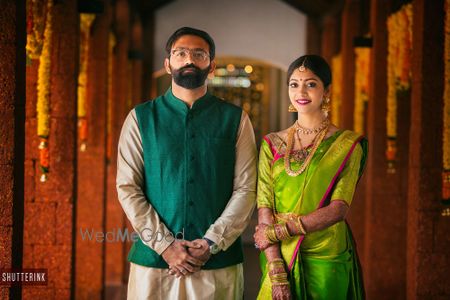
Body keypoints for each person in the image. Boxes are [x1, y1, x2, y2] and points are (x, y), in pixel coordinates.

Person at [116, 27, 257, 299]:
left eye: (199, 54)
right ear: (168, 64)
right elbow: (127, 187)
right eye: (180, 53)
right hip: (154, 264)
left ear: (212, 66)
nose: (189, 60)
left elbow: (246, 188)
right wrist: (166, 246)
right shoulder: (141, 118)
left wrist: (211, 242)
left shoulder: (236, 119)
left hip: (217, 263)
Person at [253, 54, 367, 300]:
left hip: (326, 254)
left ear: (327, 91)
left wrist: (278, 232)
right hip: (279, 253)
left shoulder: (346, 145)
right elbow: (264, 205)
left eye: (311, 83)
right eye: (294, 84)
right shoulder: (272, 143)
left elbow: (338, 209)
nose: (301, 91)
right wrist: (275, 268)